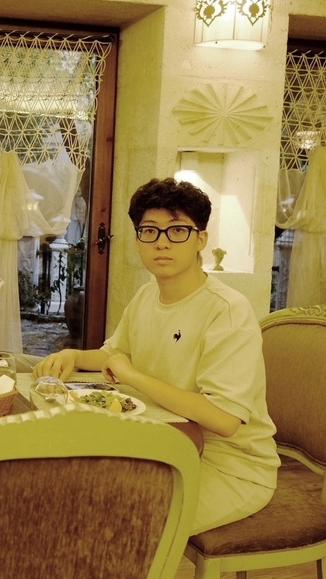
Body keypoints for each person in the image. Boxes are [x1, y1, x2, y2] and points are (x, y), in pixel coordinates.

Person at [34, 177, 279, 534]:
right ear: (137, 239)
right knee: (67, 490)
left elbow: (225, 419)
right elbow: (114, 355)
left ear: (201, 239)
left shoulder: (227, 311)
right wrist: (74, 355)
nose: (161, 242)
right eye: (149, 231)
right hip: (159, 445)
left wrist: (134, 377)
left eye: (177, 230)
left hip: (227, 465)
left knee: (114, 523)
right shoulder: (147, 296)